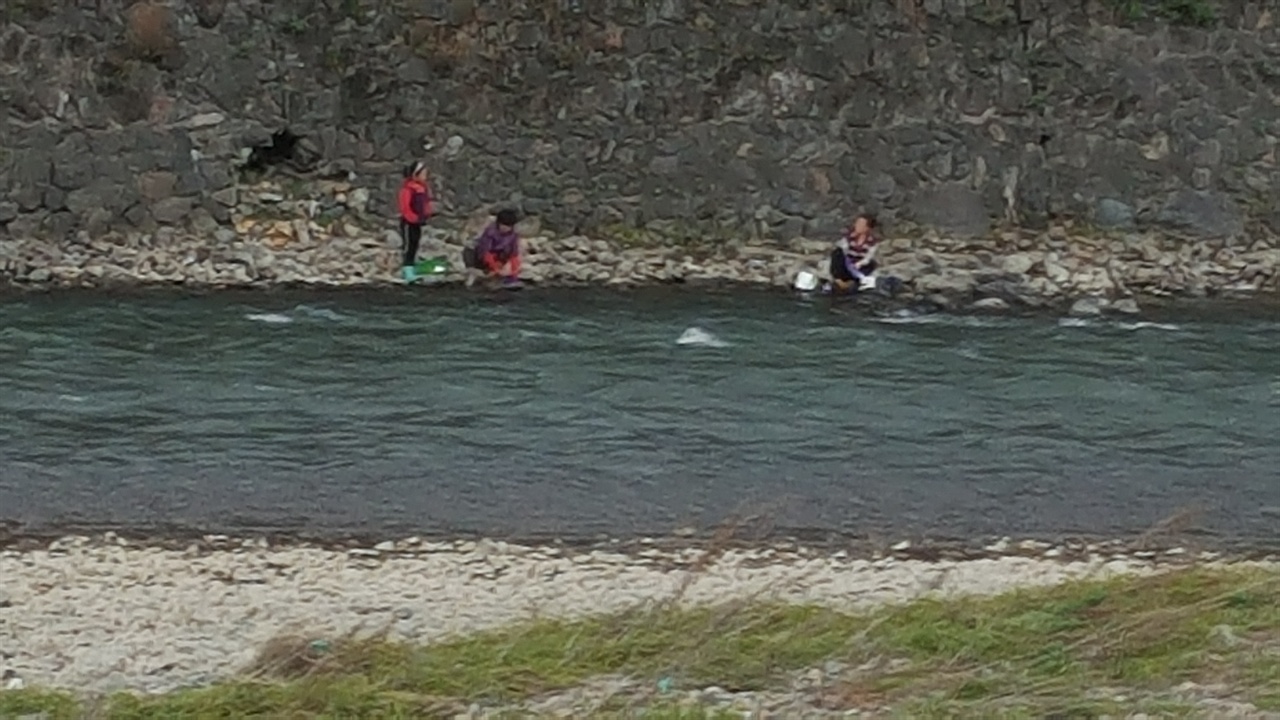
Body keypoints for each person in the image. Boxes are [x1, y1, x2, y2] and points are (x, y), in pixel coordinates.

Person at [397, 161, 435, 282]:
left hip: (418, 222)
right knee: (409, 245)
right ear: (415, 175)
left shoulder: (423, 189)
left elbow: (425, 204)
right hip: (409, 223)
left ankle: (411, 267)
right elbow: (405, 208)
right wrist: (413, 218)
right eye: (423, 173)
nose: (426, 175)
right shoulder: (407, 189)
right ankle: (407, 270)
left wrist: (427, 214)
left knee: (415, 244)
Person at [463, 208, 522, 285]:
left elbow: (514, 254)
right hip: (482, 258)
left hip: (500, 258)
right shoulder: (490, 233)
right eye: (503, 225)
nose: (506, 228)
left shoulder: (513, 236)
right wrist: (495, 267)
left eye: (508, 226)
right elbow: (484, 251)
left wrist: (514, 273)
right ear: (498, 223)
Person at [829, 213, 880, 293]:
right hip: (848, 265)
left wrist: (859, 264)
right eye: (857, 223)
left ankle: (852, 282)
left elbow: (868, 258)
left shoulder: (872, 242)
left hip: (859, 267)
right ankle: (839, 281)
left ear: (867, 228)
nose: (857, 226)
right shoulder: (849, 237)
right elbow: (842, 249)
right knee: (837, 253)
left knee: (871, 264)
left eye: (861, 224)